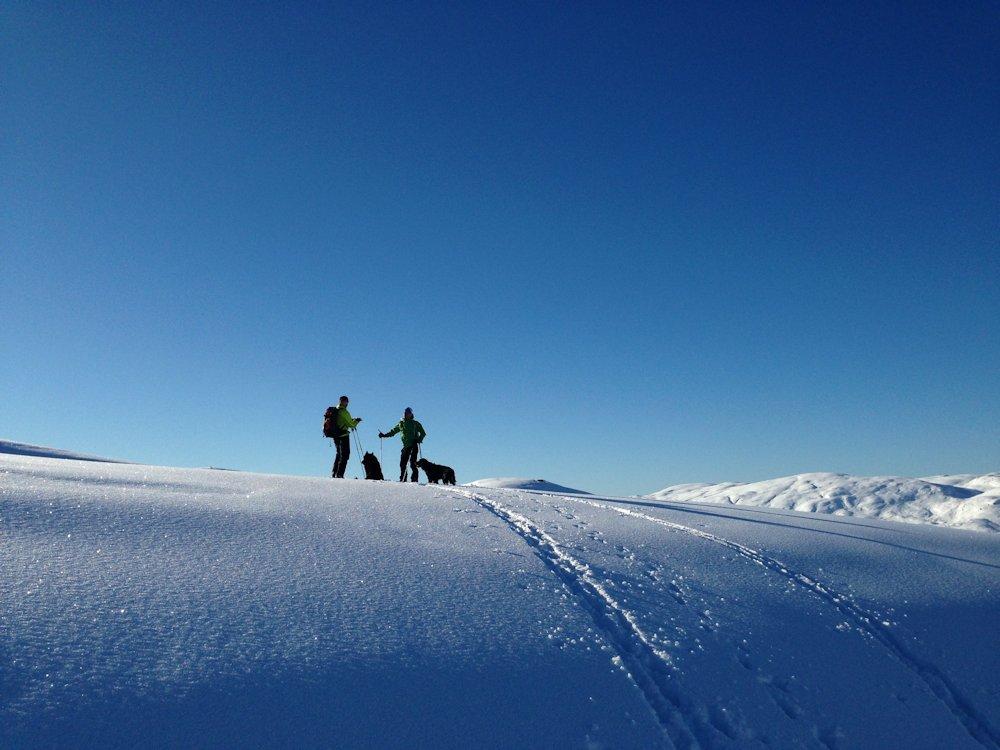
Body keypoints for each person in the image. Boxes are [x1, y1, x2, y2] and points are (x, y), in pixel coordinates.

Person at [379, 407, 426, 482]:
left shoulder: (415, 423)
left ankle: (414, 480)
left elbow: (423, 433)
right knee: (402, 463)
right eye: (404, 413)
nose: (405, 414)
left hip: (413, 445)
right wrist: (384, 435)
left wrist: (418, 440)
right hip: (406, 446)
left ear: (411, 414)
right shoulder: (401, 423)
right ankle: (403, 479)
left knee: (413, 463)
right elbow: (393, 432)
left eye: (407, 413)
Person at [331, 395, 362, 478]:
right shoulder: (344, 411)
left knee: (339, 454)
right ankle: (339, 474)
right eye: (347, 402)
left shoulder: (336, 410)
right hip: (343, 435)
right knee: (345, 455)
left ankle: (334, 472)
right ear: (345, 402)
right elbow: (351, 425)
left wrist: (353, 420)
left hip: (335, 435)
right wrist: (357, 421)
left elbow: (346, 421)